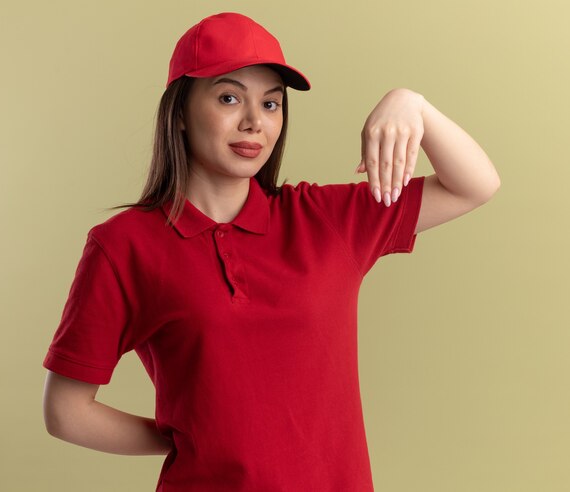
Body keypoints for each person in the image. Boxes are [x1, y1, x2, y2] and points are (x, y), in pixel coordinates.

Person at [42, 11, 500, 492]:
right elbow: (66, 413)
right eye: (228, 97)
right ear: (179, 112)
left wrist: (412, 106)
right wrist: (193, 436)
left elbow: (475, 185)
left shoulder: (324, 219)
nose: (253, 122)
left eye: (271, 104)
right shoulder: (123, 245)